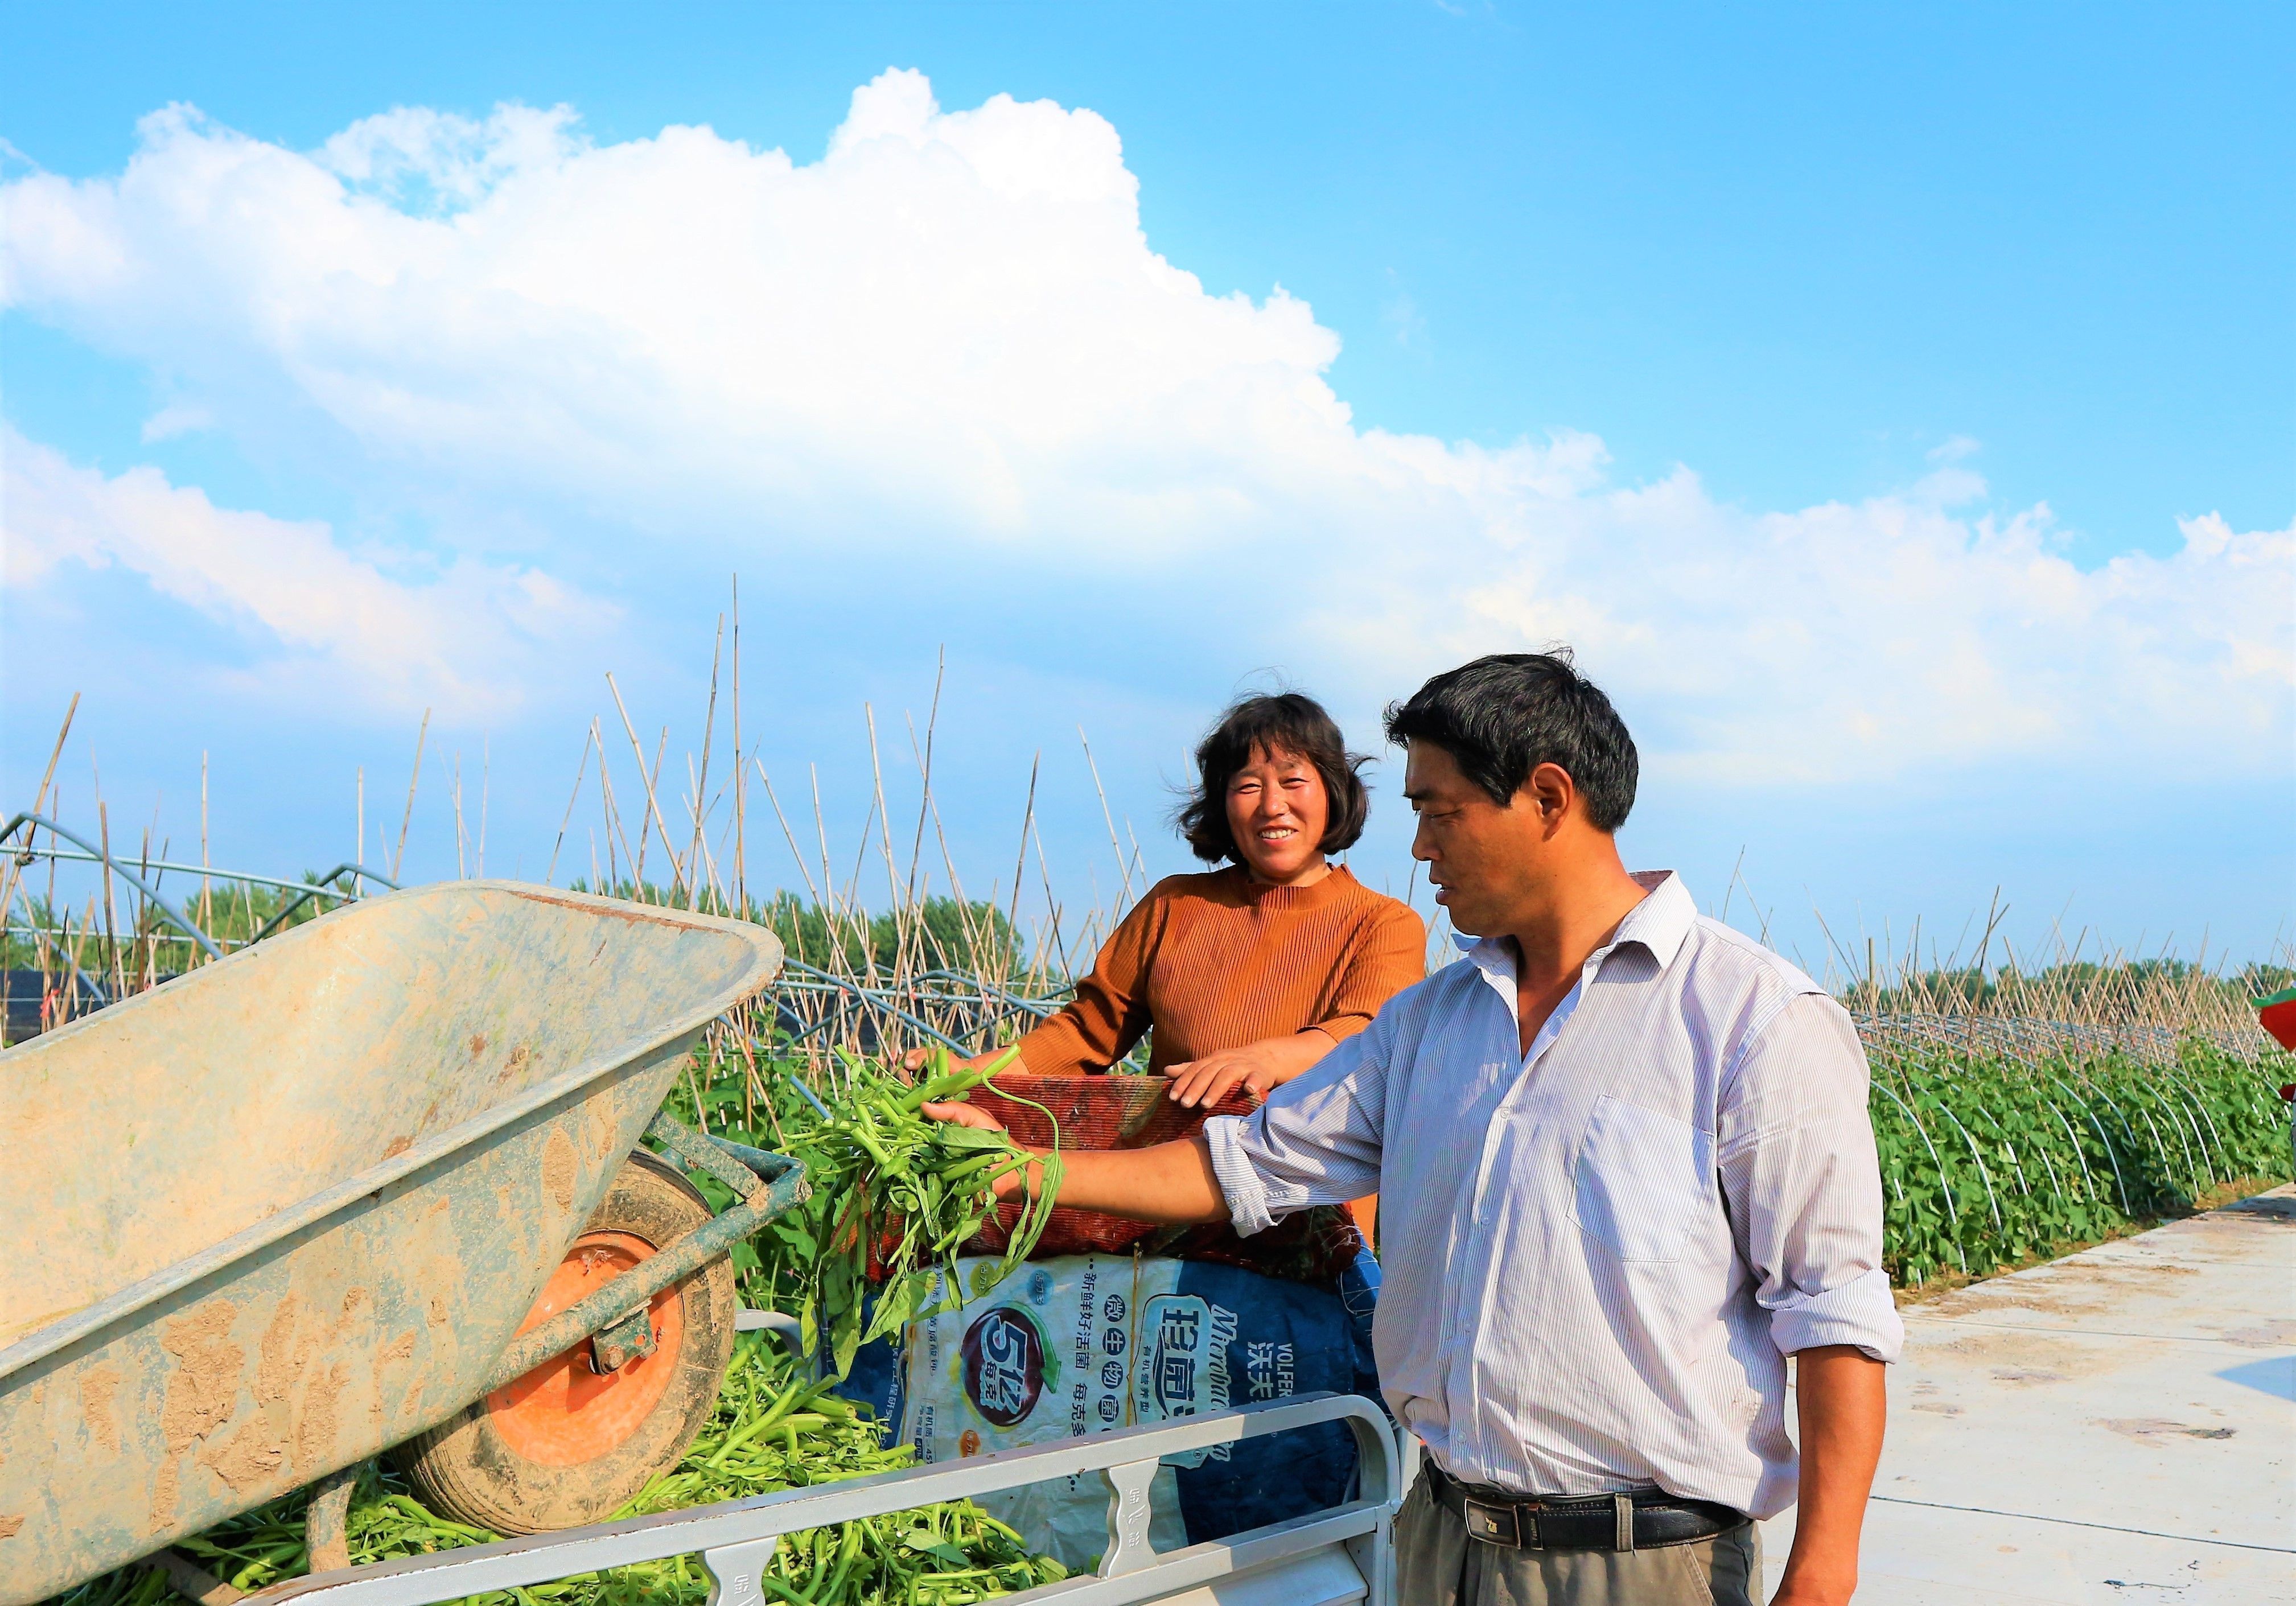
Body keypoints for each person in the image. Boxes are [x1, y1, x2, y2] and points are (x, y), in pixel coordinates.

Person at [928, 653, 1900, 1606]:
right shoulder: (1434, 1021)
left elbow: (1831, 1311)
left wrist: (1819, 1573)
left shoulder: (1749, 1017)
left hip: (1635, 1562)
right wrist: (1028, 1173)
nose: (1421, 847)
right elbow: (1241, 1167)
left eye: (1439, 812)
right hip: (1440, 1535)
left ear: (1547, 798)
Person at [921, 691, 1425, 1114]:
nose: (1273, 805)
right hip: (1162, 1191)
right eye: (1248, 786)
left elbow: (1363, 1034)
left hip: (1308, 1204)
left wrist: (1262, 1060)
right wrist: (963, 1075)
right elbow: (1083, 1034)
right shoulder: (1174, 904)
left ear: (1334, 792)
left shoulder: (1384, 922)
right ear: (1222, 806)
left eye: (1294, 781)